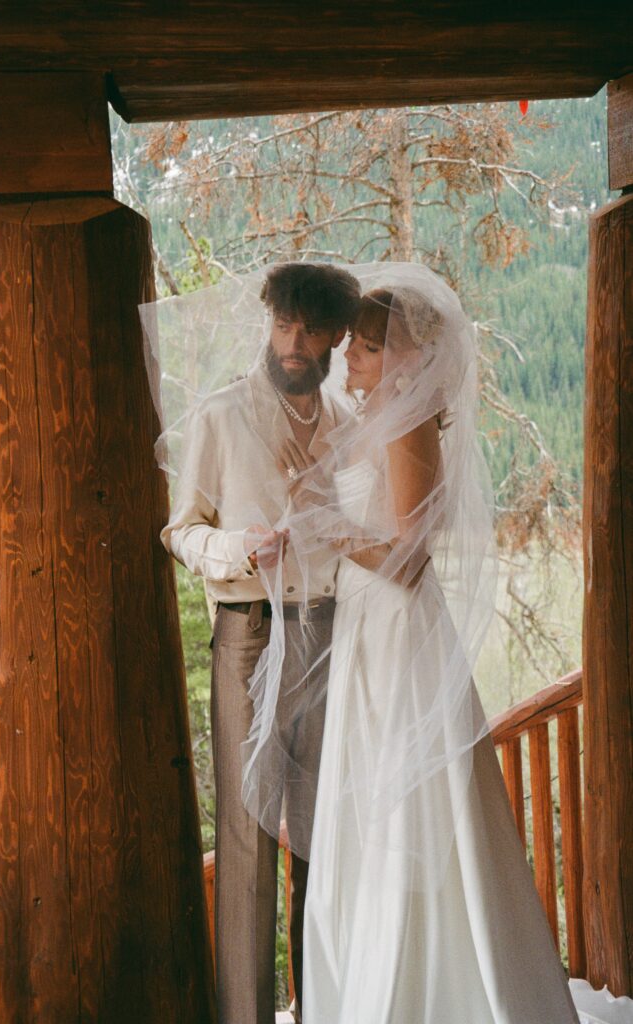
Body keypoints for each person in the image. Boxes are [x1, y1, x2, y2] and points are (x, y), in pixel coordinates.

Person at [273, 274, 581, 1023]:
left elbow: (408, 558)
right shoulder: (370, 418)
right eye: (350, 341)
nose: (348, 353)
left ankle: (433, 985)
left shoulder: (406, 426)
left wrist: (330, 531)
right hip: (364, 630)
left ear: (405, 362)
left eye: (367, 347)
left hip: (397, 633)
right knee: (368, 799)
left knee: (410, 800)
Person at [156, 262, 361, 1024]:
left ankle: (321, 1010)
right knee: (246, 838)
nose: (294, 342)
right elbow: (179, 528)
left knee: (321, 832)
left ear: (336, 335)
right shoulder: (221, 415)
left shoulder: (346, 423)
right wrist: (238, 548)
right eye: (283, 325)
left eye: (309, 329)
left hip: (332, 637)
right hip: (248, 637)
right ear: (268, 324)